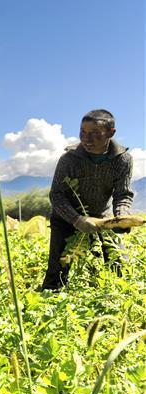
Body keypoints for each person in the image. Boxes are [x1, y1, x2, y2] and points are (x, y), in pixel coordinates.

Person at [40, 109, 134, 291]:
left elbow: (122, 194)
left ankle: (117, 298)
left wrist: (122, 216)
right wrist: (77, 219)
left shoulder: (123, 160)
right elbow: (56, 195)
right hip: (66, 219)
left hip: (101, 219)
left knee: (118, 262)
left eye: (94, 134)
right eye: (82, 132)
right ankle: (49, 299)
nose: (86, 139)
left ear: (111, 133)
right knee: (57, 269)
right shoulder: (69, 160)